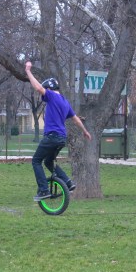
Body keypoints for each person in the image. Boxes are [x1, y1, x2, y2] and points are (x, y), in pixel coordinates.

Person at [25, 61, 92, 201]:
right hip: (62, 138)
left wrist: (28, 71)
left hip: (51, 136)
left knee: (36, 161)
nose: (43, 97)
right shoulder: (65, 102)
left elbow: (38, 88)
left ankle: (43, 190)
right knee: (48, 162)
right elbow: (76, 120)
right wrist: (85, 131)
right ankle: (68, 182)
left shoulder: (51, 96)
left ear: (49, 88)